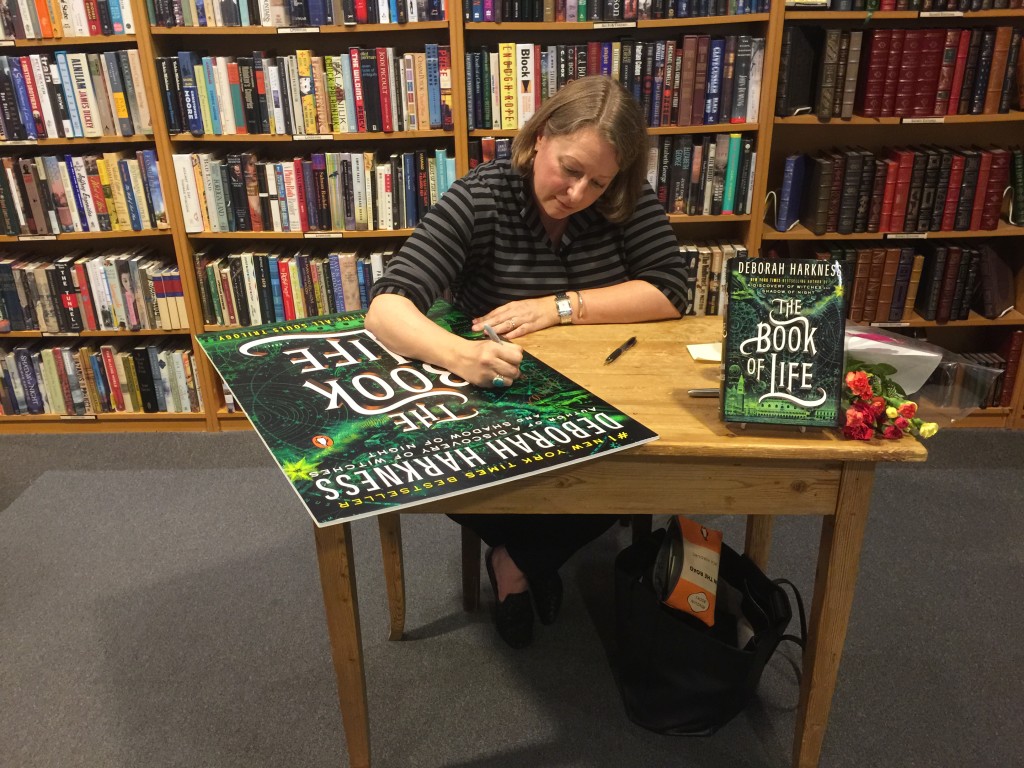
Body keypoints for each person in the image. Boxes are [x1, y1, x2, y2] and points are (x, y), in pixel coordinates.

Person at [366, 75, 689, 648]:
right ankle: (536, 552)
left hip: (592, 401)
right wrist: (458, 354)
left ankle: (515, 561)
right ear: (539, 137)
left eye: (599, 181)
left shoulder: (623, 198)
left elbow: (670, 289)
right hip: (493, 401)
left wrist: (560, 307)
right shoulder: (480, 196)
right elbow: (387, 306)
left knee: (639, 462)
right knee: (441, 472)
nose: (580, 193)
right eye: (570, 168)